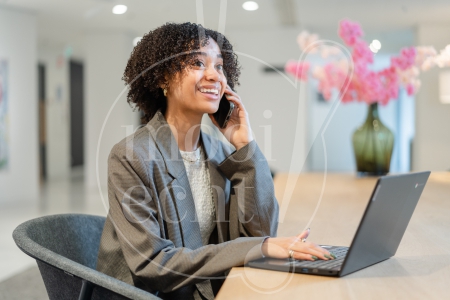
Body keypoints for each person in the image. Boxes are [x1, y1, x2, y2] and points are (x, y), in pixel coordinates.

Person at [96, 22, 334, 300]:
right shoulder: (131, 155)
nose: (214, 76)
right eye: (198, 63)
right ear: (162, 78)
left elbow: (259, 231)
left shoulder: (218, 151)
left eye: (219, 66)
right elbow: (152, 265)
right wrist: (260, 247)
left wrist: (245, 148)